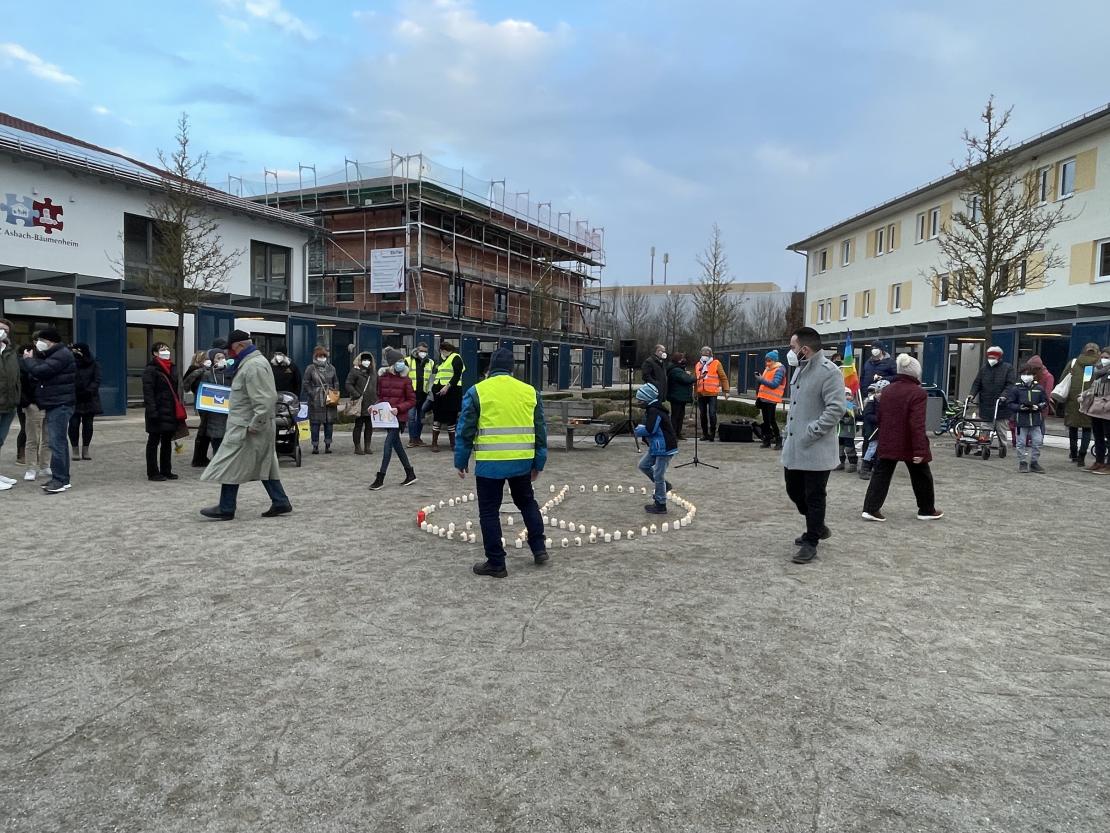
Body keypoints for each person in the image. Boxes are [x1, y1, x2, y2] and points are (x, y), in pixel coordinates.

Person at [454, 347, 548, 578]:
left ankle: (496, 563)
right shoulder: (530, 392)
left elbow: (465, 428)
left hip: (490, 463)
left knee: (489, 512)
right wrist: (539, 462)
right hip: (521, 461)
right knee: (527, 503)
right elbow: (540, 429)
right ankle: (539, 548)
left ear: (490, 368)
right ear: (512, 368)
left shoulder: (477, 391)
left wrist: (461, 459)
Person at [200, 330, 292, 520]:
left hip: (247, 426)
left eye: (230, 349)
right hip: (249, 425)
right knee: (263, 462)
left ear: (240, 346)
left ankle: (226, 507)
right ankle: (280, 501)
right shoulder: (251, 363)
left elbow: (265, 400)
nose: (228, 353)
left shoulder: (253, 365)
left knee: (231, 463)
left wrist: (255, 424)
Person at [780, 327, 845, 564]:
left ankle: (811, 541)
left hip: (817, 448)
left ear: (804, 349)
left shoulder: (829, 372)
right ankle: (817, 526)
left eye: (793, 347)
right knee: (794, 490)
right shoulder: (800, 368)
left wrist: (812, 431)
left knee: (814, 495)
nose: (790, 351)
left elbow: (836, 408)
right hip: (795, 447)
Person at [860, 354, 943, 523]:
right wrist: (920, 449)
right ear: (916, 373)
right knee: (922, 476)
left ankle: (870, 509)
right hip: (909, 442)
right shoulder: (918, 393)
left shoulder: (887, 390)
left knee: (881, 475)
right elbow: (917, 423)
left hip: (888, 439)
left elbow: (881, 416)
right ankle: (926, 509)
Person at [19, 328, 76, 494]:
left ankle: (59, 479)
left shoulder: (61, 355)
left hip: (60, 404)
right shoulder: (54, 354)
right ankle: (61, 478)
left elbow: (41, 371)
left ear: (50, 341)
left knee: (56, 443)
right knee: (58, 442)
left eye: (41, 340)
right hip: (54, 403)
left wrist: (28, 360)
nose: (38, 344)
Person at [369, 348, 417, 489]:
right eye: (399, 361)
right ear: (392, 363)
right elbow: (381, 397)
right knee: (398, 446)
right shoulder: (382, 379)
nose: (402, 363)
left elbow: (412, 400)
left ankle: (380, 477)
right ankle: (410, 473)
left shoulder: (406, 380)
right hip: (387, 418)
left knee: (387, 445)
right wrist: (374, 407)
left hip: (398, 419)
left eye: (402, 361)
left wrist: (399, 408)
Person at [141, 341, 185, 482]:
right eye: (162, 349)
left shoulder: (172, 367)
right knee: (153, 441)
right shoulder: (151, 370)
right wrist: (152, 411)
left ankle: (166, 470)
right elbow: (148, 392)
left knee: (167, 441)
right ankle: (153, 472)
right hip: (157, 410)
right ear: (155, 353)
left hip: (170, 410)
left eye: (167, 348)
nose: (166, 351)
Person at [634, 382, 679, 514]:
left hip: (664, 447)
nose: (638, 402)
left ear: (647, 399)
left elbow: (651, 429)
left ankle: (661, 504)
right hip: (656, 446)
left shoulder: (655, 411)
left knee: (658, 475)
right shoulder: (652, 409)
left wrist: (637, 430)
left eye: (640, 400)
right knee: (643, 465)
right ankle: (665, 485)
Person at [1060, 343, 1100, 467]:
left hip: (1073, 400)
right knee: (1087, 428)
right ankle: (1082, 456)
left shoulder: (1073, 363)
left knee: (1073, 427)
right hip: (1091, 401)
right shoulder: (1099, 365)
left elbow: (1063, 379)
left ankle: (1073, 453)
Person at [969, 345, 1016, 447]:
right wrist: (972, 395)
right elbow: (977, 383)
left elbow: (1010, 385)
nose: (991, 360)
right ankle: (982, 447)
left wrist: (1004, 396)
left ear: (999, 357)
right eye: (989, 357)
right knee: (985, 428)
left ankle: (1002, 446)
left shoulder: (1007, 368)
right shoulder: (984, 369)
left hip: (1001, 406)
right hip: (985, 405)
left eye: (993, 358)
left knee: (1001, 429)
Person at [1007, 364, 1048, 473]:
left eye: (1028, 374)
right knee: (1021, 443)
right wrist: (1019, 407)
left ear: (1033, 375)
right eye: (1024, 374)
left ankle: (1034, 462)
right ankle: (1022, 462)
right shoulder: (1016, 389)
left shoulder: (1039, 388)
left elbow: (1045, 402)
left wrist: (1038, 406)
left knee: (1037, 442)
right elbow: (1010, 403)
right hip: (1021, 420)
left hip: (1036, 420)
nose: (1026, 376)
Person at [302, 346, 339, 454]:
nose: (322, 358)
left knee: (329, 423)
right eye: (319, 356)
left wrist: (334, 392)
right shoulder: (310, 368)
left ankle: (328, 445)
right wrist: (312, 393)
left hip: (329, 397)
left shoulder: (331, 368)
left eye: (323, 356)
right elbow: (306, 383)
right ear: (315, 356)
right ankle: (315, 445)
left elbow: (336, 381)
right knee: (315, 423)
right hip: (316, 399)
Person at [68, 343, 101, 461]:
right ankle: (75, 449)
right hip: (74, 398)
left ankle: (86, 449)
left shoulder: (94, 363)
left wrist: (89, 390)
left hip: (89, 398)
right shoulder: (70, 363)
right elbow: (67, 378)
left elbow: (97, 379)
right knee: (73, 424)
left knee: (88, 425)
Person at [430, 341, 464, 453]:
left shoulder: (456, 358)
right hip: (439, 392)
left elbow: (457, 375)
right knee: (437, 417)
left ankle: (453, 443)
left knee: (451, 418)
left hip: (452, 392)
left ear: (443, 350)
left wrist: (447, 386)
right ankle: (434, 443)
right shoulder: (443, 360)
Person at [196, 349, 231, 455]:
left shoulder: (231, 373)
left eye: (223, 357)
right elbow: (203, 393)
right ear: (212, 360)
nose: (221, 360)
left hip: (228, 414)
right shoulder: (207, 374)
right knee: (217, 443)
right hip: (213, 415)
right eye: (218, 358)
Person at [183, 350, 215, 467]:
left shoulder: (196, 371)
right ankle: (199, 458)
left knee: (204, 429)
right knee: (204, 430)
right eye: (205, 359)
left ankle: (200, 457)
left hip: (203, 403)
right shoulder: (199, 372)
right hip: (204, 403)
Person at [1084, 346, 1110, 474]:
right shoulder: (1097, 371)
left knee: (1109, 437)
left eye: (1107, 357)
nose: (1104, 359)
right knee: (1098, 436)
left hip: (1107, 409)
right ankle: (1099, 461)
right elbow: (1093, 388)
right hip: (1096, 408)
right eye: (1102, 357)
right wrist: (1085, 394)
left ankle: (1109, 465)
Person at [695, 346, 729, 442]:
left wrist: (726, 391)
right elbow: (696, 380)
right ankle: (705, 434)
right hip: (701, 393)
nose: (705, 355)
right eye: (703, 353)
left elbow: (723, 377)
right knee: (702, 414)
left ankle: (712, 433)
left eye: (707, 353)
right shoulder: (698, 364)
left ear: (710, 354)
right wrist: (695, 393)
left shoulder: (716, 363)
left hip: (712, 393)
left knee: (712, 413)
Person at [346, 351, 377, 455]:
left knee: (369, 426)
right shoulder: (355, 371)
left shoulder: (373, 372)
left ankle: (367, 446)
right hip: (359, 403)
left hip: (371, 402)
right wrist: (357, 394)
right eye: (364, 359)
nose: (367, 362)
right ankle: (357, 447)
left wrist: (377, 398)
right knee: (358, 425)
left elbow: (377, 385)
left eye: (368, 360)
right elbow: (348, 384)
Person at [0, 318, 19, 491]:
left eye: (6, 330)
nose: (2, 332)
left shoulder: (10, 351)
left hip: (9, 404)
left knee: (0, 440)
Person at [754, 349, 786, 449]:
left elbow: (774, 384)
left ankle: (778, 441)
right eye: (766, 360)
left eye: (769, 360)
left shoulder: (779, 369)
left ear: (774, 360)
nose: (767, 362)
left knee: (772, 420)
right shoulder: (768, 369)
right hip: (764, 398)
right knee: (766, 421)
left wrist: (761, 379)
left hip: (772, 400)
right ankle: (767, 440)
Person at [857, 379, 888, 480]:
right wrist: (879, 419)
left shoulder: (887, 403)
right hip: (872, 430)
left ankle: (876, 467)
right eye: (878, 392)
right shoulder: (871, 402)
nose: (879, 394)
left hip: (881, 430)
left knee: (879, 449)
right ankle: (865, 468)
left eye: (882, 392)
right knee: (872, 448)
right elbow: (867, 415)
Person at [406, 341, 434, 448]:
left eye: (425, 351)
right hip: (411, 394)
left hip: (423, 394)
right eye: (421, 350)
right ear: (417, 350)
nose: (423, 353)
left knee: (421, 418)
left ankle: (417, 438)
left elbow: (431, 378)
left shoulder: (430, 362)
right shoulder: (408, 361)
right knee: (411, 417)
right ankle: (412, 439)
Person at [665, 352, 694, 440]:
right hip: (676, 397)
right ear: (678, 360)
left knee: (680, 416)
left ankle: (678, 433)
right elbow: (685, 379)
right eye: (682, 359)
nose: (683, 360)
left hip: (680, 397)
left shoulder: (678, 369)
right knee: (676, 416)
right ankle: (674, 434)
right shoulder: (675, 370)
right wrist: (694, 377)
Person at [836, 387, 859, 473]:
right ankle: (840, 462)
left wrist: (842, 419)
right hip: (839, 430)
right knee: (839, 447)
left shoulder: (851, 405)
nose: (846, 396)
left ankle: (853, 464)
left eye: (848, 394)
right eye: (844, 395)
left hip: (849, 430)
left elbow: (852, 418)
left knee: (849, 447)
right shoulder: (838, 404)